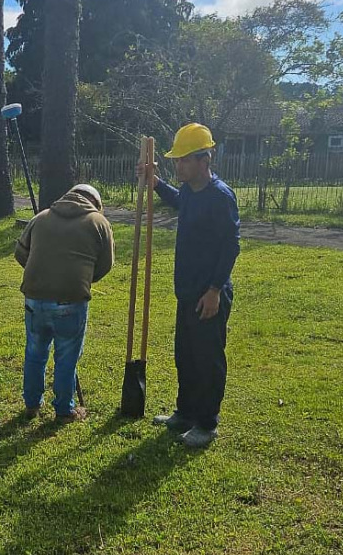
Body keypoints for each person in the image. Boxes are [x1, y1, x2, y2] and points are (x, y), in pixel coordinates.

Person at [138, 123, 241, 448]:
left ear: (203, 160)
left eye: (184, 160)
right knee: (185, 355)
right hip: (186, 291)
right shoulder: (190, 192)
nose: (178, 165)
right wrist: (156, 183)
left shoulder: (220, 197)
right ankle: (185, 413)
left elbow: (231, 246)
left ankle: (207, 424)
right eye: (177, 160)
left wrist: (214, 290)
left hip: (208, 294)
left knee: (207, 359)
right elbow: (178, 200)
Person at [14, 184, 115, 423]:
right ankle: (64, 410)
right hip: (72, 300)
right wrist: (83, 278)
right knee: (66, 358)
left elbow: (20, 253)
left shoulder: (41, 218)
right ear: (95, 203)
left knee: (35, 352)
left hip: (35, 297)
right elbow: (106, 264)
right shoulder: (99, 223)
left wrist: (42, 273)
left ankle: (31, 404)